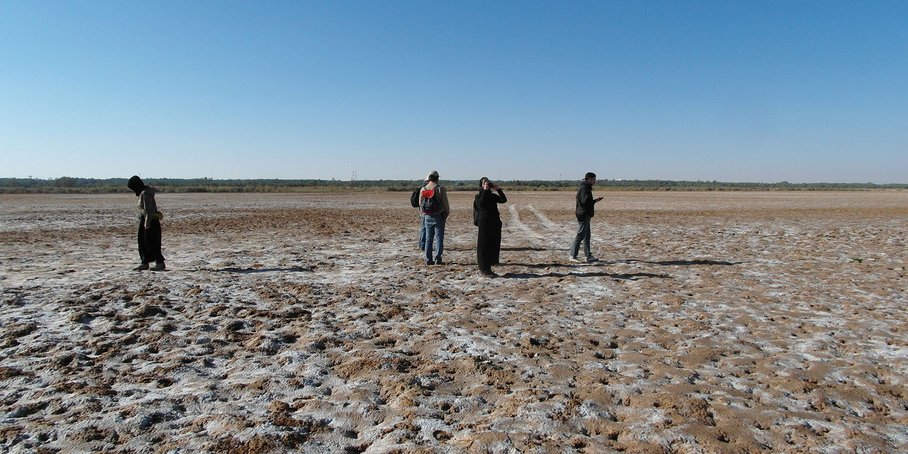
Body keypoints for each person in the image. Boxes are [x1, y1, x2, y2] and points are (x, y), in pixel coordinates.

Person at [127, 175, 166, 271]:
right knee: (142, 243)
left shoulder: (146, 193)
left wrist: (147, 225)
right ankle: (144, 262)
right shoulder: (142, 193)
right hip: (144, 220)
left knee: (151, 242)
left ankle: (160, 262)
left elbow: (149, 210)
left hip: (150, 221)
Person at [474, 177, 507, 277]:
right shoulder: (478, 196)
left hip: (494, 222)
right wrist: (485, 190)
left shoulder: (492, 196)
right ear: (481, 185)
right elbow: (482, 203)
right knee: (483, 245)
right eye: (484, 183)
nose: (487, 185)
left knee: (493, 243)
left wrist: (498, 189)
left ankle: (490, 265)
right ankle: (483, 268)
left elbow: (503, 200)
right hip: (484, 223)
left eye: (488, 183)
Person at [570, 172, 604, 263]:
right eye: (593, 179)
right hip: (583, 214)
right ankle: (572, 255)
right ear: (588, 179)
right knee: (580, 235)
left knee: (587, 236)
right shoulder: (584, 188)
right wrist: (595, 201)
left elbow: (586, 202)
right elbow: (585, 203)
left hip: (585, 214)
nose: (594, 181)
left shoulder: (585, 188)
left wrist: (595, 201)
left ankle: (588, 255)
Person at [418, 170, 450, 265]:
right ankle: (438, 259)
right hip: (439, 216)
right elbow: (446, 205)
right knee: (439, 238)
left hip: (427, 216)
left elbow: (420, 204)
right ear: (437, 178)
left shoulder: (423, 189)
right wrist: (446, 214)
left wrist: (424, 214)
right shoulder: (440, 189)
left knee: (428, 239)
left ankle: (428, 259)